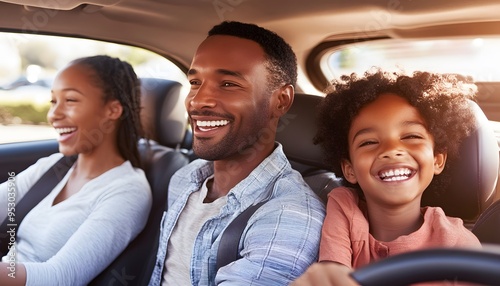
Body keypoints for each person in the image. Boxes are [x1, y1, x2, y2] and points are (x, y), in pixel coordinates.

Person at [147, 21, 325, 286]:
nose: (197, 100)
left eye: (228, 84)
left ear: (281, 101)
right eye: (195, 82)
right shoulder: (185, 179)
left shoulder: (288, 216)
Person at [292, 69, 482, 286]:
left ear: (437, 160)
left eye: (411, 136)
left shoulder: (457, 243)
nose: (391, 150)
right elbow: (331, 274)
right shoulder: (345, 207)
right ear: (349, 169)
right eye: (369, 142)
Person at [0, 55, 152, 286]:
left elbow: (61, 277)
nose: (54, 115)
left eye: (70, 100)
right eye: (53, 102)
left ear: (112, 110)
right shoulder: (53, 166)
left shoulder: (128, 191)